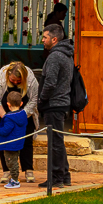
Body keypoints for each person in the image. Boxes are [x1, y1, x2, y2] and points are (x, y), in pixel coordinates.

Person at [0, 61, 39, 184]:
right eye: (12, 80)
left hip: (24, 114)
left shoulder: (31, 80)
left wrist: (21, 115)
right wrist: (6, 117)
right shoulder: (0, 78)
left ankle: (28, 170)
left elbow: (34, 99)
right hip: (3, 114)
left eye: (18, 81)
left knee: (26, 140)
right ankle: (7, 171)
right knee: (3, 141)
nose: (15, 82)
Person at [38, 23, 75, 188]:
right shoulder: (66, 54)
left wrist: (41, 100)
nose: (43, 40)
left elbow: (50, 83)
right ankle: (64, 175)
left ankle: (56, 178)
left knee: (55, 143)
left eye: (45, 37)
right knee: (58, 140)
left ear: (54, 39)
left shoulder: (55, 56)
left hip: (54, 104)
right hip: (62, 102)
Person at [0, 90, 31, 190]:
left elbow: (6, 130)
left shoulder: (9, 118)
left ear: (8, 104)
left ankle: (15, 180)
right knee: (14, 160)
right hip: (18, 143)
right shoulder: (23, 114)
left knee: (11, 162)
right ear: (21, 103)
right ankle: (14, 179)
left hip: (9, 144)